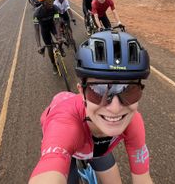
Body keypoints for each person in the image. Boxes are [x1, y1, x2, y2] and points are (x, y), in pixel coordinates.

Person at [29, 30, 153, 184]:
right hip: (66, 137)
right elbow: (49, 170)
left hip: (95, 148)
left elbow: (143, 178)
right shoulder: (64, 124)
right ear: (82, 93)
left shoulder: (133, 121)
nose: (115, 108)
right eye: (99, 91)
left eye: (129, 90)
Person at [33, 0, 66, 74]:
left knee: (59, 39)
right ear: (42, 3)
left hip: (52, 26)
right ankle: (54, 65)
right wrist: (39, 46)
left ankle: (61, 48)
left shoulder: (55, 8)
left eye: (51, 0)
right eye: (48, 2)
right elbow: (36, 30)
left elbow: (57, 22)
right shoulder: (36, 13)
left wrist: (59, 36)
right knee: (49, 48)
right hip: (44, 29)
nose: (51, 3)